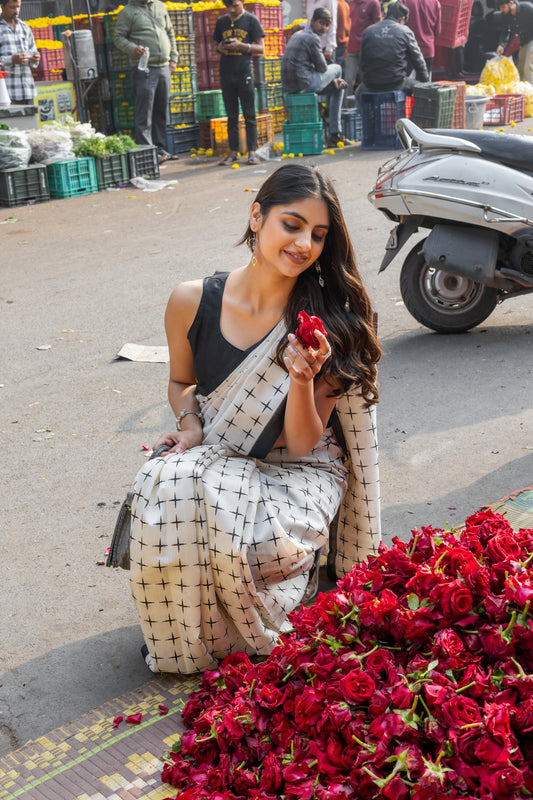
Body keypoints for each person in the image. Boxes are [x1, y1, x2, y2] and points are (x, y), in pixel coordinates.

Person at [129, 163, 382, 675]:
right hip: (220, 456)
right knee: (162, 482)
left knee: (242, 540)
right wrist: (190, 423)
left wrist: (302, 378)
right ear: (256, 216)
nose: (304, 244)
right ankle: (194, 632)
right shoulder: (191, 300)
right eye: (292, 225)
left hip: (299, 474)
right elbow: (183, 383)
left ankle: (264, 598)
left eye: (317, 234)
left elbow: (303, 441)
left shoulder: (328, 320)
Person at [114, 0, 179, 165]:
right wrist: (132, 48)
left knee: (160, 110)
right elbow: (119, 38)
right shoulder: (128, 12)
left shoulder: (160, 6)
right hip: (144, 68)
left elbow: (169, 32)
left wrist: (173, 58)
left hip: (164, 66)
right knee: (145, 112)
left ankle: (160, 148)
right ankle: (147, 151)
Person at [281, 8, 349, 147]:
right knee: (337, 68)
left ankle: (334, 133)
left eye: (326, 25)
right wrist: (333, 77)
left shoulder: (296, 35)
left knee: (338, 88)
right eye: (321, 23)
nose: (323, 27)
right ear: (312, 21)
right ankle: (333, 128)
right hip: (304, 84)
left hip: (289, 87)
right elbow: (323, 68)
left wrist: (332, 80)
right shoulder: (313, 38)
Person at [214, 0, 265, 166]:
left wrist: (241, 45)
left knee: (249, 114)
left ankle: (252, 152)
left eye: (235, 5)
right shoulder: (221, 22)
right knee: (231, 115)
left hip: (244, 72)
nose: (232, 9)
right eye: (229, 6)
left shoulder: (251, 20)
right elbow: (216, 45)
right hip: (226, 72)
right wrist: (220, 47)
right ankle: (233, 152)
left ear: (242, 2)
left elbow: (261, 48)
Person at [358, 1, 429, 96]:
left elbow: (361, 61)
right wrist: (425, 82)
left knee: (358, 93)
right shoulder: (405, 31)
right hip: (396, 83)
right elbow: (418, 60)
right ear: (401, 19)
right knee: (420, 90)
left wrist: (366, 80)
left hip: (370, 84)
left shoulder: (368, 31)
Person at [0, 0, 39, 105]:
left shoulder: (25, 27)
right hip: (5, 93)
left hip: (28, 91)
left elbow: (33, 52)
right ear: (2, 6)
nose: (16, 10)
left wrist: (35, 58)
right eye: (12, 7)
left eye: (18, 7)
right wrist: (11, 60)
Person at [345, 0, 381, 95]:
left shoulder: (373, 3)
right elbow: (351, 25)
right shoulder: (352, 3)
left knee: (365, 81)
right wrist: (347, 46)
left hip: (367, 49)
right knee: (348, 80)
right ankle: (345, 107)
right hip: (352, 48)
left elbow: (378, 26)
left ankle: (362, 106)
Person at [402, 0, 441, 79]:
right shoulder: (435, 3)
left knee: (406, 84)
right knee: (424, 87)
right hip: (427, 49)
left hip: (408, 49)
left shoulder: (404, 2)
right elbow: (437, 31)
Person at [496, 0, 533, 83]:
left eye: (503, 7)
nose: (501, 10)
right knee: (520, 67)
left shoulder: (527, 8)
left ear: (511, 3)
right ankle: (521, 91)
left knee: (528, 68)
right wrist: (501, 45)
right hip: (524, 40)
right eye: (500, 8)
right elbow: (505, 30)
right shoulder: (506, 15)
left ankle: (530, 94)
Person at [335, 0, 351, 75]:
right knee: (343, 71)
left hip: (337, 43)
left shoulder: (336, 4)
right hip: (345, 42)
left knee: (336, 73)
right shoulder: (346, 5)